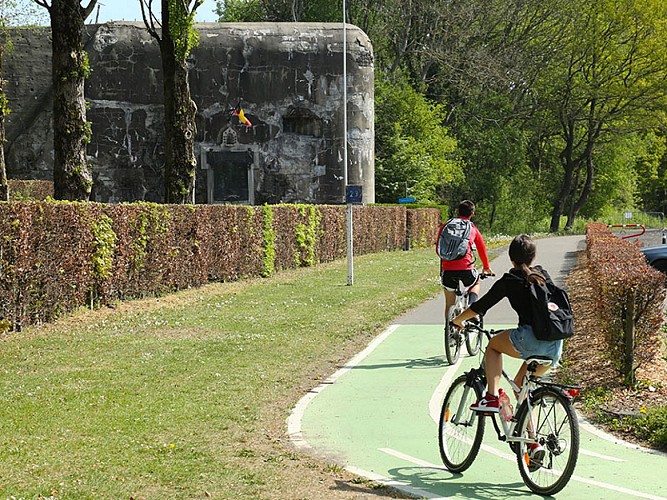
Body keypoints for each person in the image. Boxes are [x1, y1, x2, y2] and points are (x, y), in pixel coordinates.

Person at [451, 234, 563, 464]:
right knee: (521, 385)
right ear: (534, 257)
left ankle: (491, 397)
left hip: (530, 339)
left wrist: (458, 321)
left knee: (493, 346)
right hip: (555, 345)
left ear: (511, 258)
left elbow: (480, 306)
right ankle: (533, 442)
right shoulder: (542, 275)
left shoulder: (509, 280)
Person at [437, 200, 493, 324]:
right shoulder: (472, 228)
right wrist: (486, 267)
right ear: (472, 214)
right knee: (476, 282)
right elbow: (481, 248)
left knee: (449, 303)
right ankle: (470, 307)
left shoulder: (446, 225)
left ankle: (450, 331)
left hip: (447, 270)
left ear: (458, 212)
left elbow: (439, 246)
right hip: (466, 269)